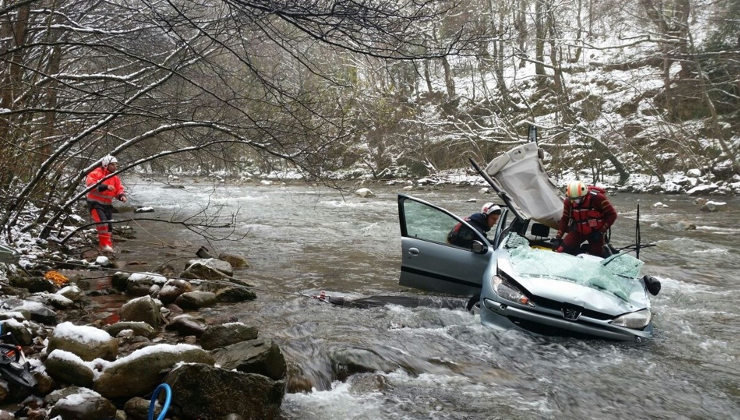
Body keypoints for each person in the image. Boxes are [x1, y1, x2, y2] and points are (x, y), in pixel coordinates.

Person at [555, 180, 617, 257]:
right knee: (561, 250)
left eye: (578, 198)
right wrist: (558, 237)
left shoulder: (598, 198)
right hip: (578, 231)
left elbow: (612, 215)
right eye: (573, 199)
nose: (576, 201)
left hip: (595, 233)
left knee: (596, 256)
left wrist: (601, 231)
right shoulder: (568, 202)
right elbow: (565, 219)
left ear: (585, 195)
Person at [86, 155, 126, 253]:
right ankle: (104, 246)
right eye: (112, 164)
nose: (115, 166)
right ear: (105, 164)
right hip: (95, 204)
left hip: (107, 205)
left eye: (116, 165)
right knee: (102, 224)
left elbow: (119, 189)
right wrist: (105, 187)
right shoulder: (95, 173)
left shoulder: (115, 178)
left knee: (108, 226)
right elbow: (91, 185)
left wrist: (121, 196)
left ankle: (107, 246)